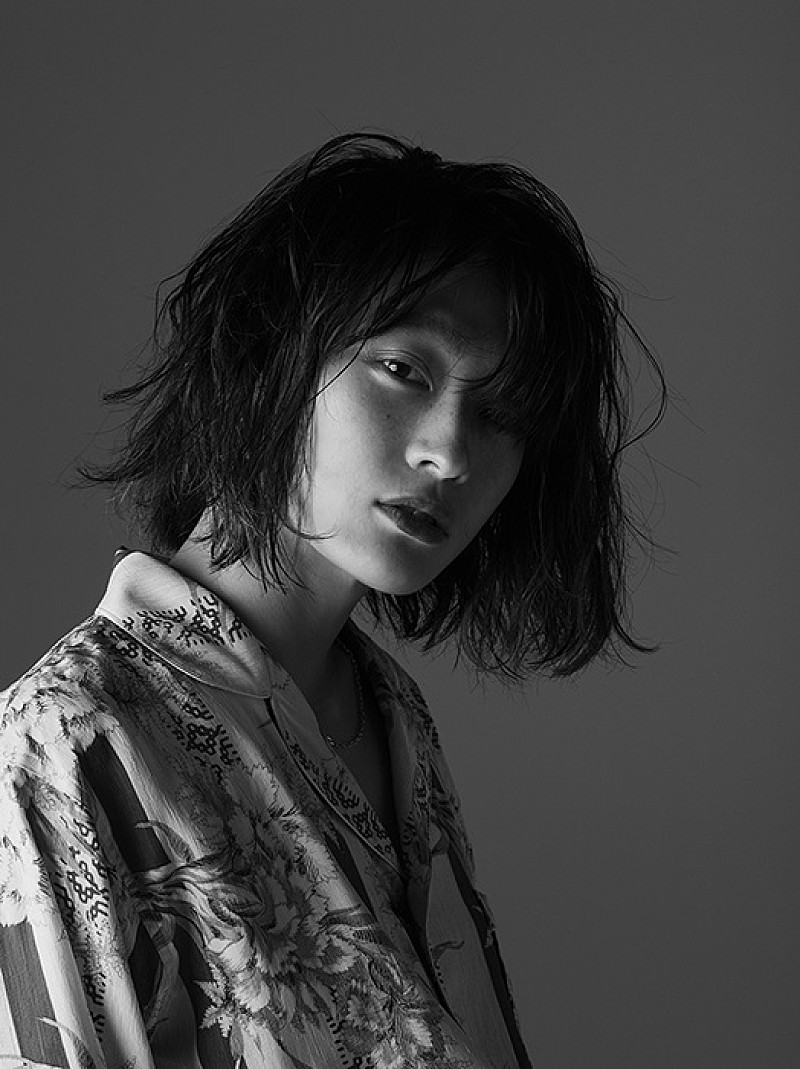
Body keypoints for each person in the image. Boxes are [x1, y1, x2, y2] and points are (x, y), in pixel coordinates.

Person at [0, 133, 665, 1068]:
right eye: (405, 369)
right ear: (272, 350)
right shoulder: (62, 739)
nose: (450, 451)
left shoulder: (391, 715)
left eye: (501, 414)